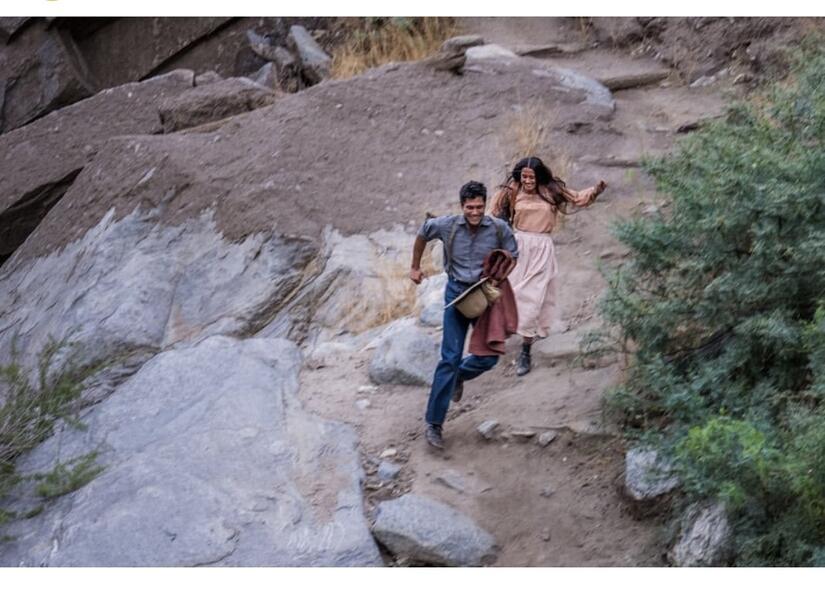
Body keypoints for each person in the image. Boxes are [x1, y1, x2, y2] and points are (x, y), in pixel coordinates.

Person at [410, 180, 519, 449]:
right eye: (470, 207)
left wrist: (499, 274)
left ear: (485, 204)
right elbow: (423, 233)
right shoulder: (447, 225)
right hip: (456, 296)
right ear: (462, 206)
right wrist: (415, 267)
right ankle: (434, 424)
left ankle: (459, 376)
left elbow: (513, 254)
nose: (475, 212)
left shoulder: (498, 228)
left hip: (483, 295)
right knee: (449, 358)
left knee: (489, 357)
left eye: (479, 207)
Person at [490, 156, 607, 376]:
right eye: (524, 177)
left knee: (531, 299)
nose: (527, 181)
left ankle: (525, 351)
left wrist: (595, 191)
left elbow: (578, 198)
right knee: (510, 294)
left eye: (531, 177)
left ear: (539, 176)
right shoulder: (513, 190)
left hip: (542, 250)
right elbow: (494, 213)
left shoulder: (551, 190)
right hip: (517, 248)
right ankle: (501, 336)